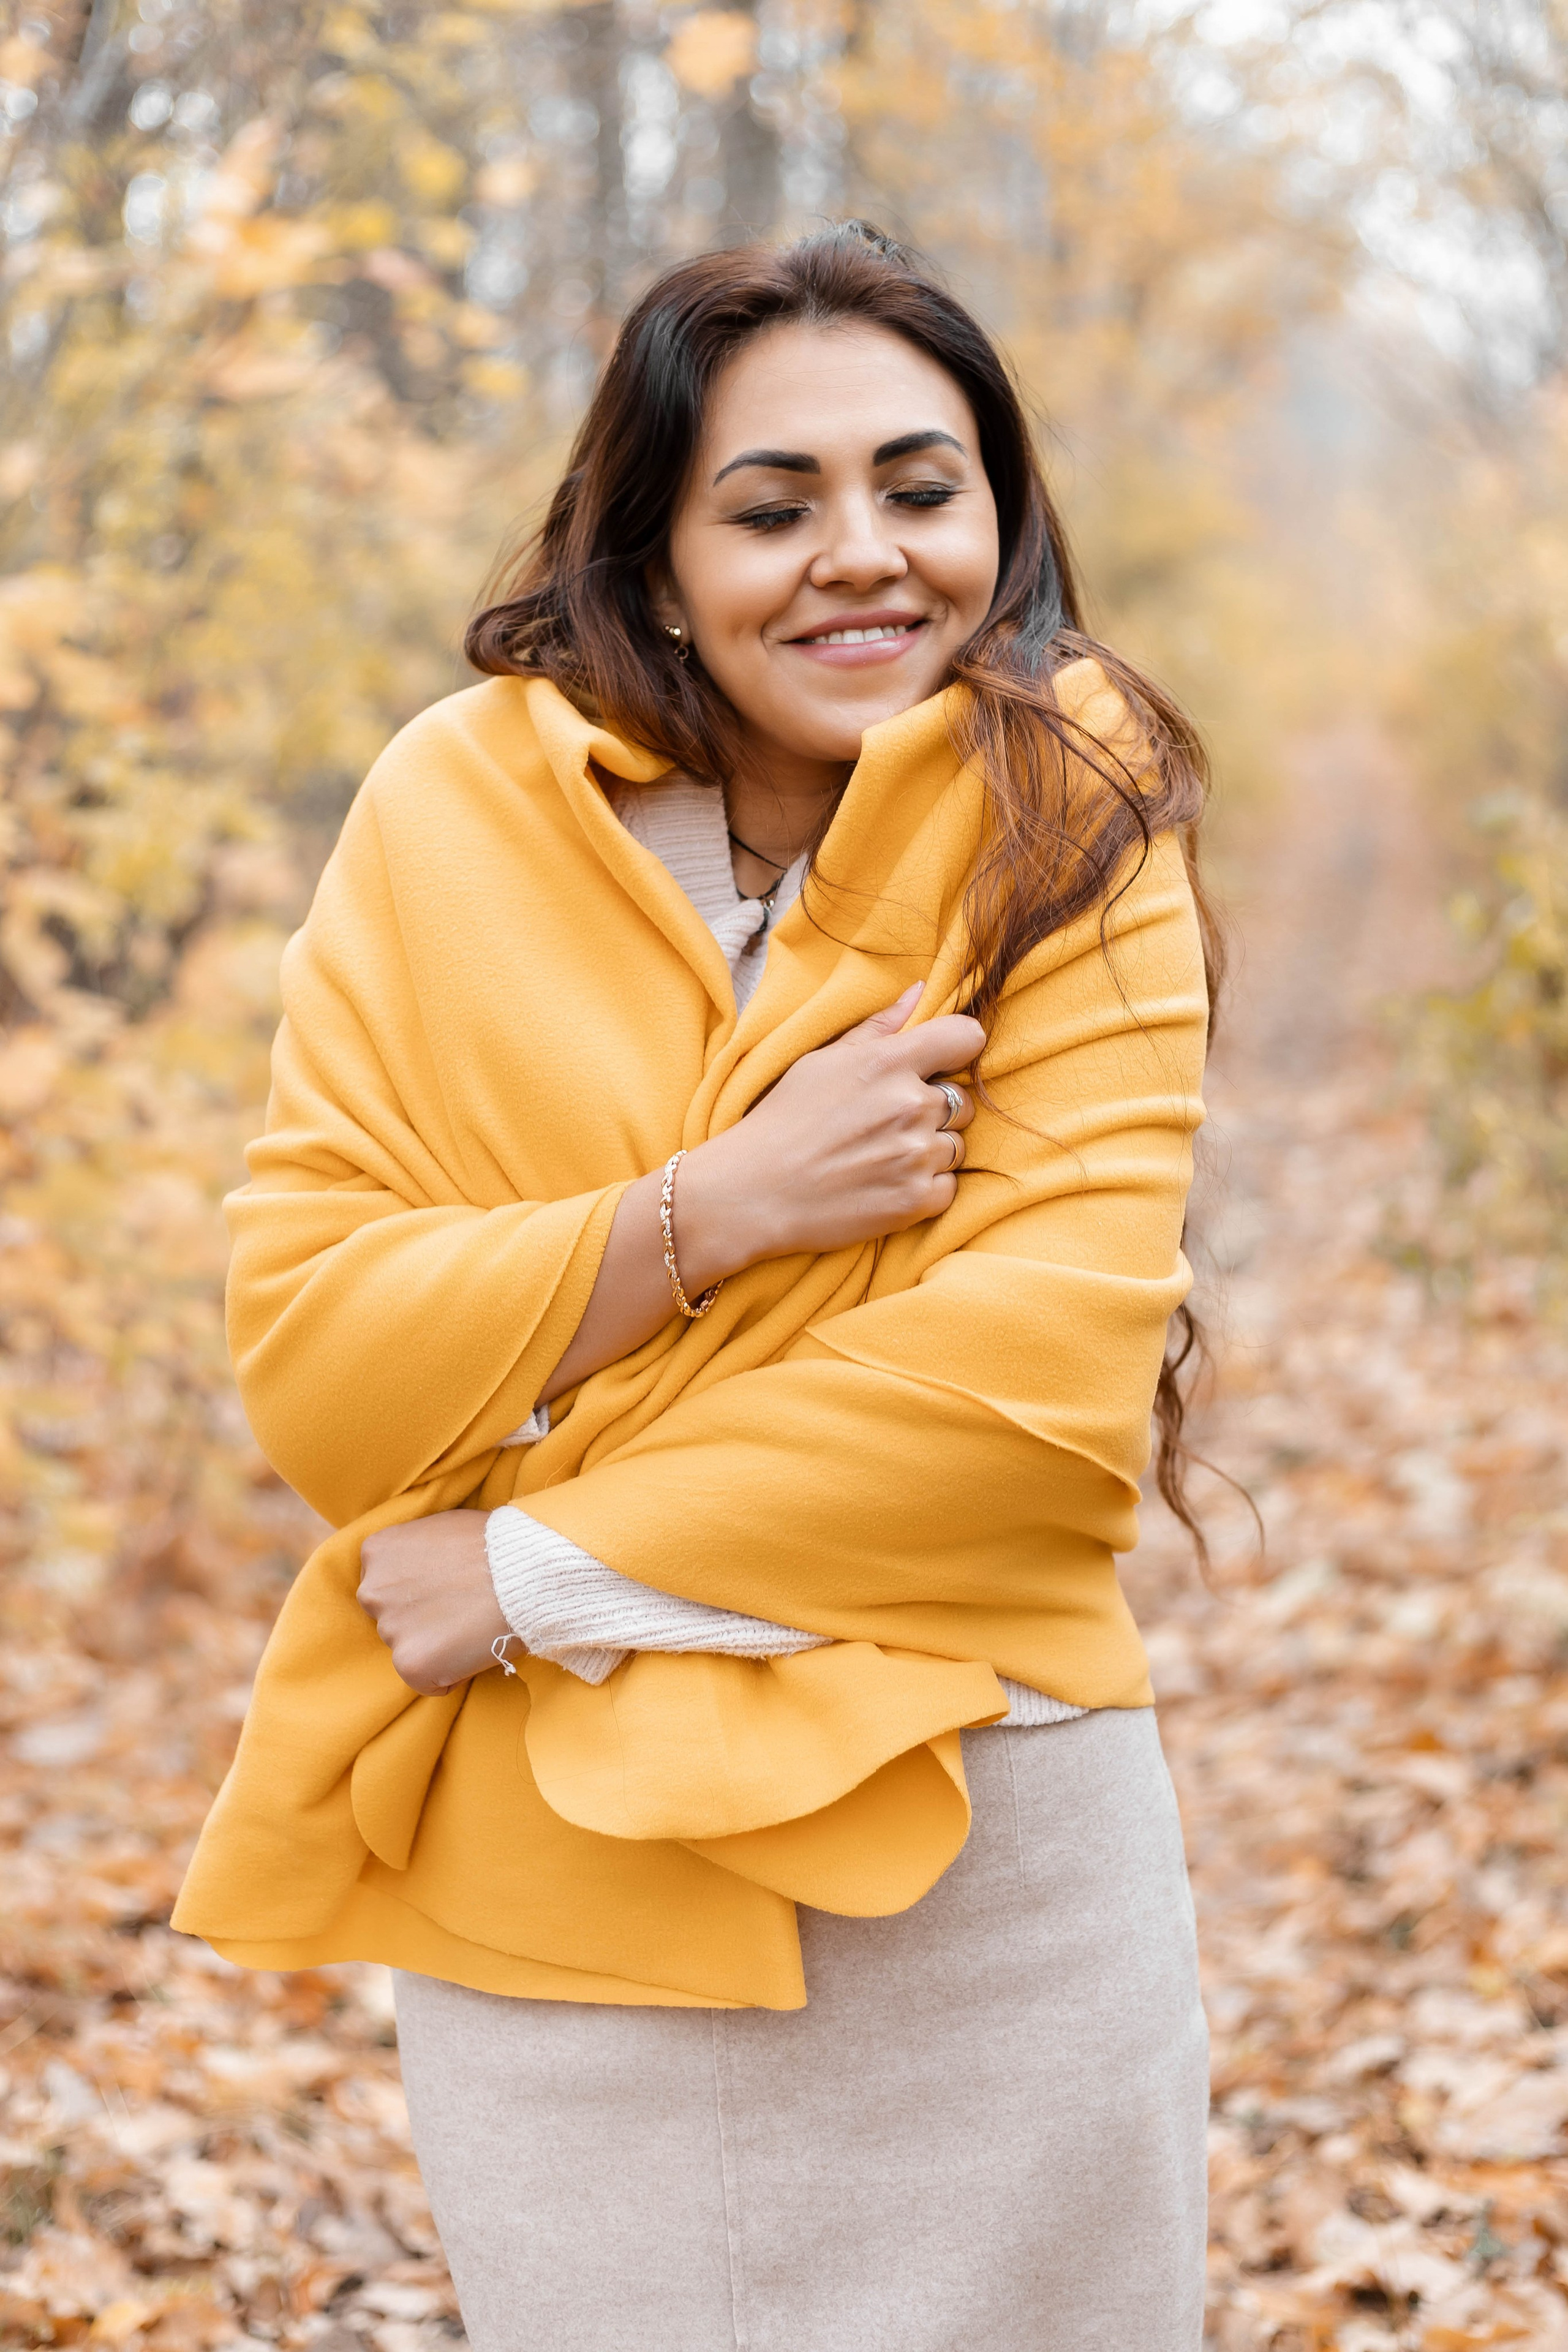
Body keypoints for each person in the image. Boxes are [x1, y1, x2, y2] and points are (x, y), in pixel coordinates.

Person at [174, 221, 1218, 2351]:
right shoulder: (447, 817)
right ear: (653, 558)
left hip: (987, 1855)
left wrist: (527, 1560)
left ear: (999, 522)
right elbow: (325, 1369)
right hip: (562, 1891)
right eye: (773, 506)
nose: (866, 555)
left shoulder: (1072, 816)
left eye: (923, 490)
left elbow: (1028, 1414)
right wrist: (715, 1217)